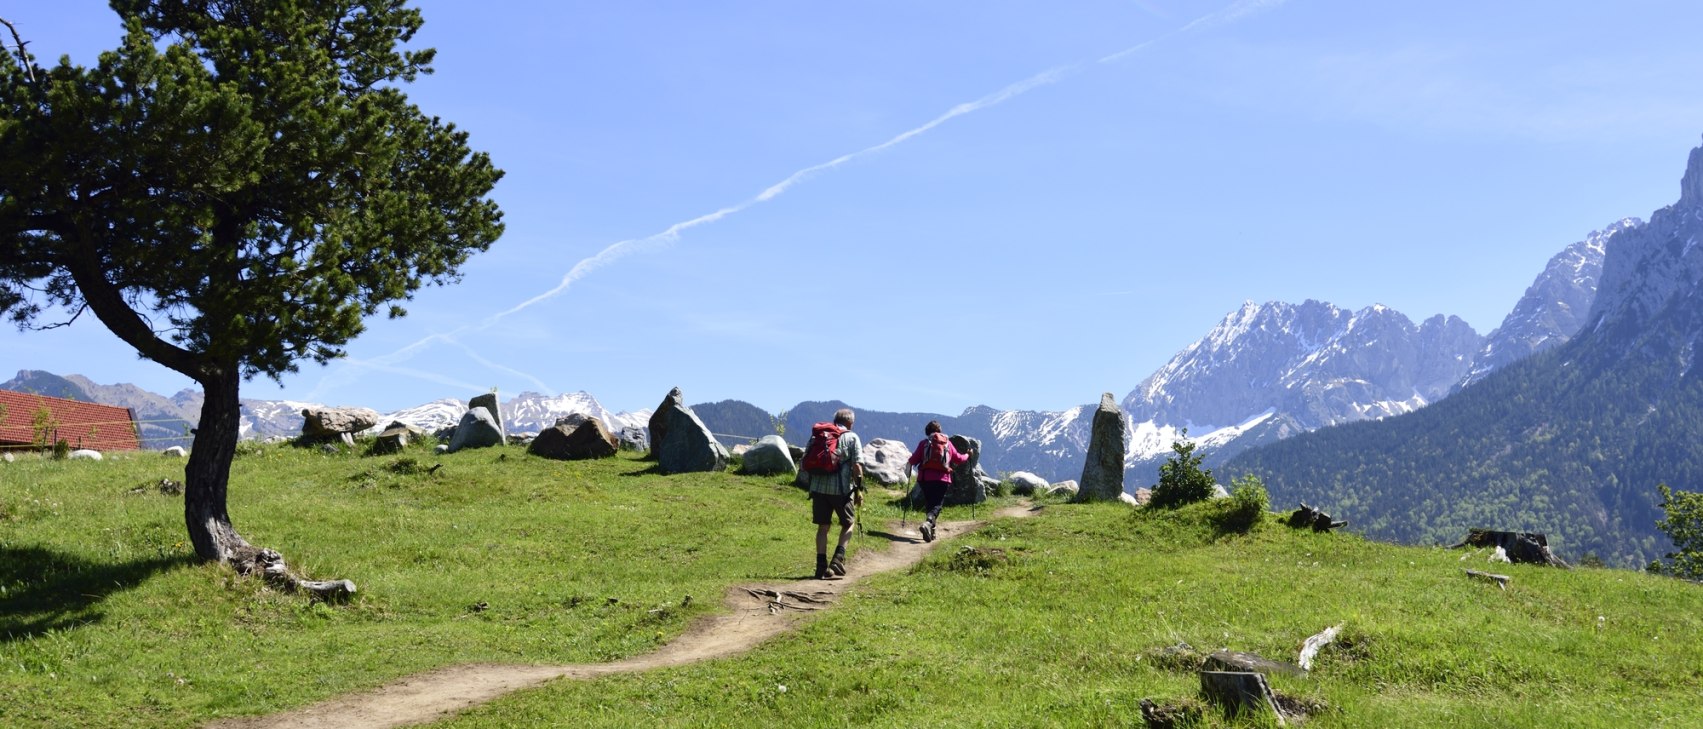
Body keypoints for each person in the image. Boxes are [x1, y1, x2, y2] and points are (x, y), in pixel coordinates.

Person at [804, 408, 863, 579]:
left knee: (823, 528)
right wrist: (859, 490)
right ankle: (838, 558)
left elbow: (805, 461)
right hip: (841, 490)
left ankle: (820, 567)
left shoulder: (818, 436)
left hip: (818, 489)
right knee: (848, 523)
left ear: (834, 420)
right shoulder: (852, 437)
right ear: (850, 423)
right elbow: (857, 467)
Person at [905, 420, 969, 543]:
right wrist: (968, 455)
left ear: (927, 432)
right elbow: (959, 458)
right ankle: (929, 522)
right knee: (937, 505)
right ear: (940, 431)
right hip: (942, 479)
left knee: (930, 504)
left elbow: (913, 460)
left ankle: (930, 531)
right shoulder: (947, 444)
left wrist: (908, 469)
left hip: (925, 479)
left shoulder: (924, 443)